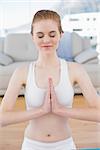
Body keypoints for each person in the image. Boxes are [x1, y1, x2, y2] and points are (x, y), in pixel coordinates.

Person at [0, 10, 100, 150]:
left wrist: (62, 110)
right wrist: (41, 110)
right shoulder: (21, 72)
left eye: (52, 34)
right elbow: (2, 118)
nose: (46, 40)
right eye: (40, 35)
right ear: (32, 37)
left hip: (65, 144)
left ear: (61, 35)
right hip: (32, 145)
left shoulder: (75, 70)